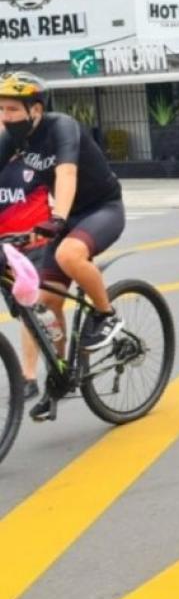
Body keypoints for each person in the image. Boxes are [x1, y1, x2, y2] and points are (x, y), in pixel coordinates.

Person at [0, 73, 129, 421]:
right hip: (68, 217)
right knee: (47, 304)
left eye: (12, 109)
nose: (4, 116)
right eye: (1, 109)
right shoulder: (12, 140)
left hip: (102, 209)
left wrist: (57, 218)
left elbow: (66, 174)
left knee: (68, 254)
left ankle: (106, 315)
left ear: (36, 109)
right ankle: (60, 376)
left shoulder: (62, 127)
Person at [0, 124, 53, 403]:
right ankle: (55, 353)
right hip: (5, 253)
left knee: (29, 307)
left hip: (37, 248)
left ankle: (29, 377)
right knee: (26, 313)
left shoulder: (34, 161)